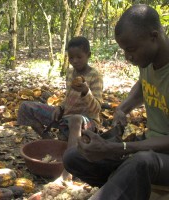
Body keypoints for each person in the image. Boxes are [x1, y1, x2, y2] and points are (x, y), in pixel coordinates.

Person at [63, 4, 169, 200]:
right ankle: (124, 185)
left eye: (131, 50)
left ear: (154, 36)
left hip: (161, 157)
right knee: (74, 157)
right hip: (150, 146)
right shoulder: (149, 60)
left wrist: (119, 148)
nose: (128, 57)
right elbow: (143, 85)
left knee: (140, 162)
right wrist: (123, 108)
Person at [17, 36, 103, 180]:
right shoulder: (70, 73)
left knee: (76, 119)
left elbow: (96, 109)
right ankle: (52, 144)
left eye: (79, 57)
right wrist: (60, 107)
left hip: (87, 122)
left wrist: (86, 92)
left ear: (88, 55)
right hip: (66, 116)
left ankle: (68, 167)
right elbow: (69, 98)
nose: (75, 61)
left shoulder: (95, 76)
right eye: (71, 58)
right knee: (26, 107)